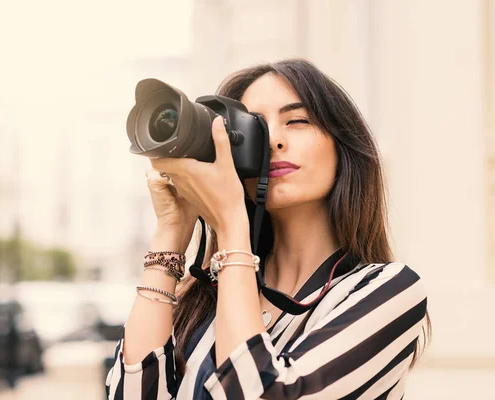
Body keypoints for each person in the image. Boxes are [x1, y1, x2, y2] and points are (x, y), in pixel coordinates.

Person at [105, 59, 431, 399]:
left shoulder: (386, 291)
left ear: (343, 147)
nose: (273, 140)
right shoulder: (203, 297)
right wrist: (171, 232)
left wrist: (231, 224)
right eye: (255, 127)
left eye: (297, 121)